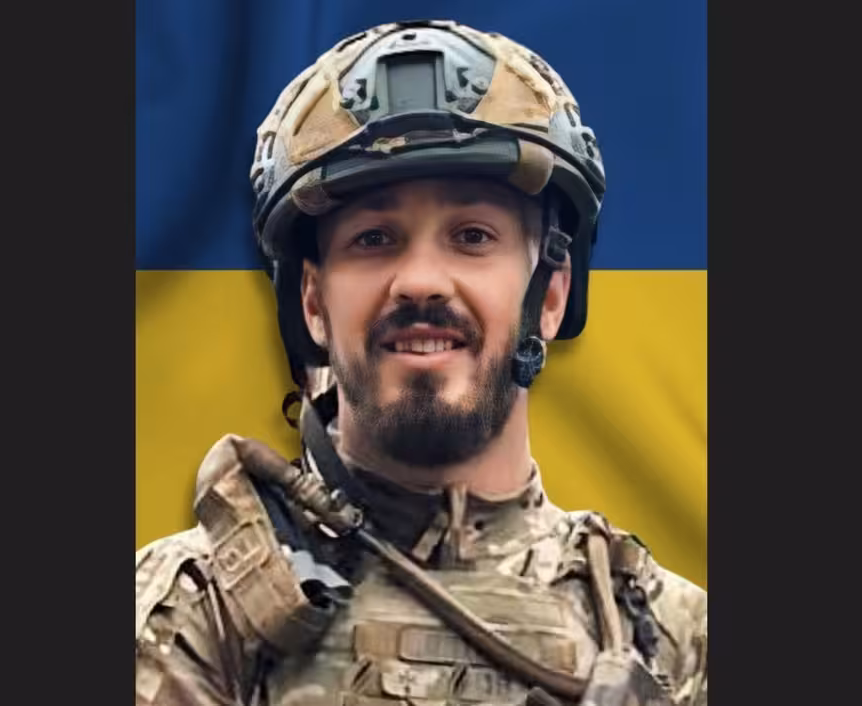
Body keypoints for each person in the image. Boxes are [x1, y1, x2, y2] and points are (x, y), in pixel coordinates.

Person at [135, 19, 707, 706]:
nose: (421, 282)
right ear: (313, 304)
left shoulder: (672, 640)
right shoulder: (191, 617)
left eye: (473, 236)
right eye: (375, 238)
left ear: (551, 298)